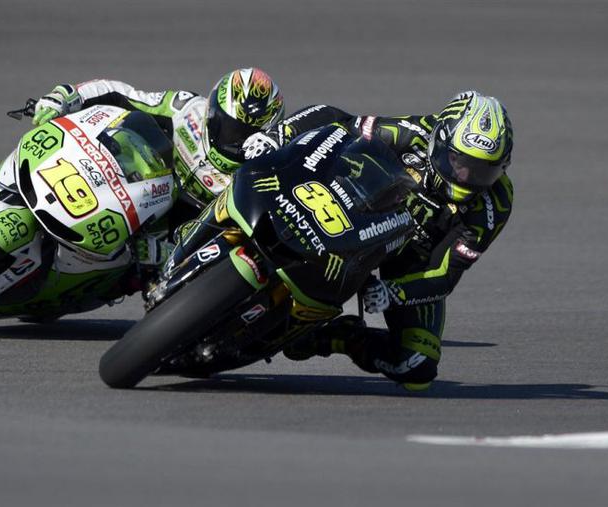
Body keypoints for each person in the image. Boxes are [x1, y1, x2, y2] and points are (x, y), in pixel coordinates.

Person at [249, 91, 514, 391]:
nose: (465, 176)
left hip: (410, 262)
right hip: (356, 220)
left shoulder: (495, 205)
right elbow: (339, 124)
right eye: (457, 161)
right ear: (440, 141)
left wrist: (395, 293)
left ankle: (337, 337)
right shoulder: (412, 133)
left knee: (417, 364)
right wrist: (279, 136)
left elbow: (446, 273)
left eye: (483, 171)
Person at [32, 68, 285, 208]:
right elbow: (122, 95)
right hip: (130, 191)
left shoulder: (256, 174)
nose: (230, 136)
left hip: (175, 240)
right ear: (212, 110)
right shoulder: (187, 108)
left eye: (242, 134)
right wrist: (67, 96)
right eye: (226, 124)